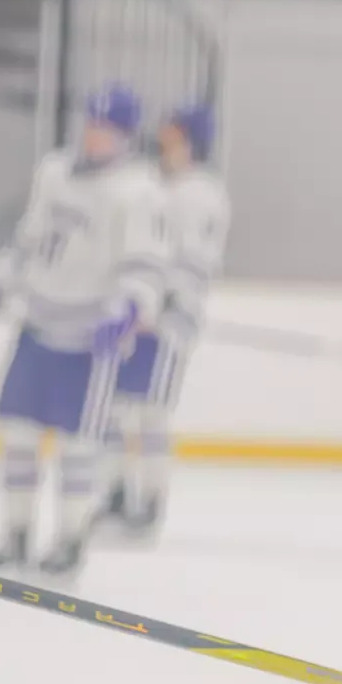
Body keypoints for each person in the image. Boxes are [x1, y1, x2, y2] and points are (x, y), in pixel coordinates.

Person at [0, 85, 166, 577]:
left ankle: (69, 538)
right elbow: (29, 245)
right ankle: (17, 534)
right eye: (91, 122)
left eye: (107, 127)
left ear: (127, 136)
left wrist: (128, 309)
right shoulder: (54, 173)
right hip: (38, 324)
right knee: (17, 433)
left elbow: (146, 266)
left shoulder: (138, 190)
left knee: (79, 445)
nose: (95, 134)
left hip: (90, 338)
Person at [98, 104, 228, 540]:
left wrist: (167, 300)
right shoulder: (153, 186)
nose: (162, 141)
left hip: (169, 324)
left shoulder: (202, 195)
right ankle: (116, 494)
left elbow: (193, 262)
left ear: (190, 141)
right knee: (114, 409)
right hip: (140, 317)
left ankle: (149, 504)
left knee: (151, 415)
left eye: (172, 135)